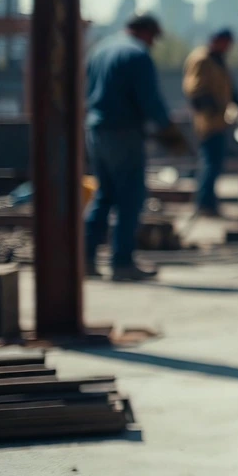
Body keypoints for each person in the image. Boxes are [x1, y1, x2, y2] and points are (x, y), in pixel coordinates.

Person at [84, 14, 189, 280]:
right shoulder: (136, 54)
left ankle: (84, 259)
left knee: (104, 194)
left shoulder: (100, 50)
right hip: (123, 132)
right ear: (146, 32)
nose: (153, 43)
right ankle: (122, 263)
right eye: (153, 37)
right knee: (130, 196)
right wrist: (169, 131)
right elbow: (150, 100)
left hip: (96, 131)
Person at [183, 28, 238, 218]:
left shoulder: (218, 60)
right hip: (208, 122)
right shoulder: (201, 59)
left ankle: (208, 202)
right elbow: (195, 92)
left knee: (215, 164)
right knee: (209, 163)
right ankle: (204, 204)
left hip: (220, 121)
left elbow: (230, 88)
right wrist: (214, 108)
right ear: (217, 40)